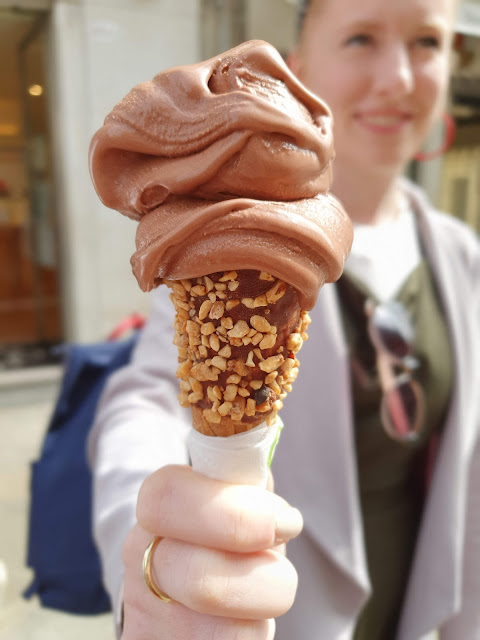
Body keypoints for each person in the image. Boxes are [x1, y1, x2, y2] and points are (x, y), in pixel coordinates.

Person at [87, 0, 480, 638]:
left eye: (427, 43)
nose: (399, 78)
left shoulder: (462, 254)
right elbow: (146, 398)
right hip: (285, 614)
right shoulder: (226, 234)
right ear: (298, 70)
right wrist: (154, 548)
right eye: (360, 38)